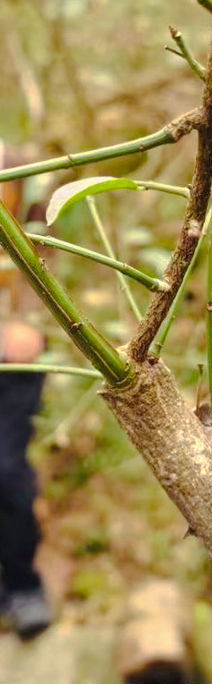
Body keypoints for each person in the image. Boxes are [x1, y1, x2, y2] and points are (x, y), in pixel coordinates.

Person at [0, 142, 52, 638]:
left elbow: (44, 277)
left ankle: (24, 585)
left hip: (13, 368)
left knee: (6, 471)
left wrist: (25, 323)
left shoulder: (30, 193)